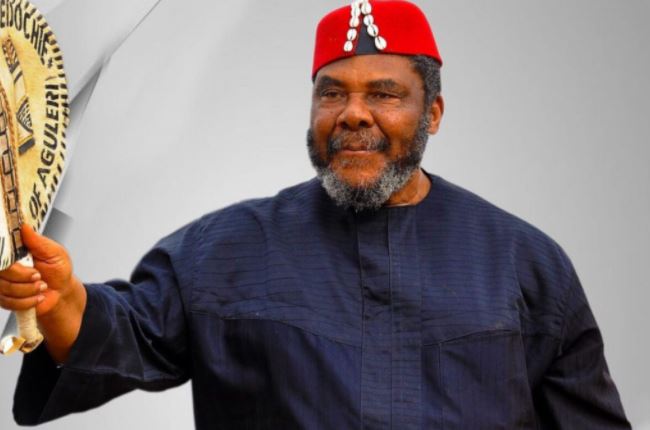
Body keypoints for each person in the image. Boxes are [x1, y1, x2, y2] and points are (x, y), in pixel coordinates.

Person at [0, 1, 631, 428]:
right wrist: (64, 303)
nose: (353, 114)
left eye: (384, 93)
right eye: (333, 93)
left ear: (433, 114)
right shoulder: (222, 251)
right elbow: (126, 334)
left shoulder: (525, 265)